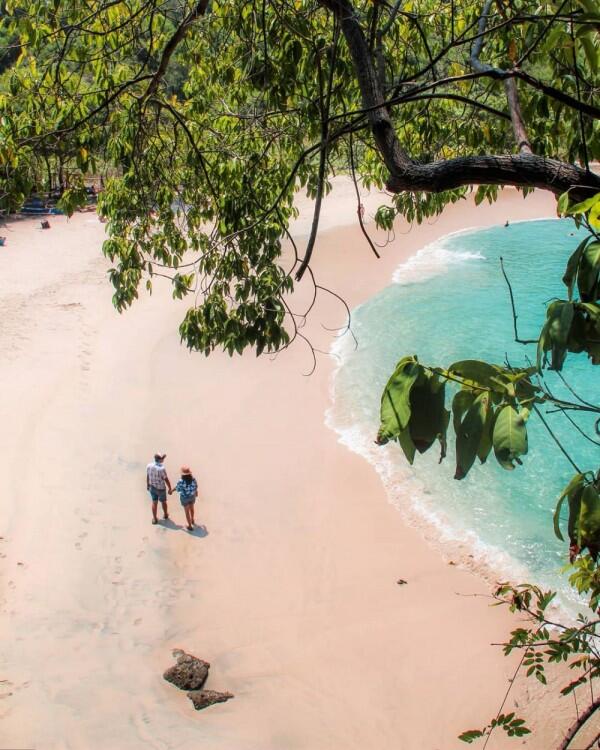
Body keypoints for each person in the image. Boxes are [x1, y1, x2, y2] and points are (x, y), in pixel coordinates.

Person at [146, 453, 172, 524]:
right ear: (160, 459)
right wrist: (170, 488)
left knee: (154, 502)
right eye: (162, 458)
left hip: (152, 487)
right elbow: (166, 479)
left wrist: (147, 485)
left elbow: (148, 476)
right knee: (163, 502)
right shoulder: (161, 468)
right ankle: (166, 514)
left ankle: (154, 519)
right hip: (161, 488)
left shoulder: (149, 465)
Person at [175, 466, 198, 531]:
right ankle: (192, 519)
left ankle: (190, 526)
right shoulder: (193, 479)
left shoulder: (181, 481)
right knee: (192, 508)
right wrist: (196, 492)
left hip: (184, 498)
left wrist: (171, 490)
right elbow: (196, 486)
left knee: (187, 512)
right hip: (192, 496)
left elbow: (177, 488)